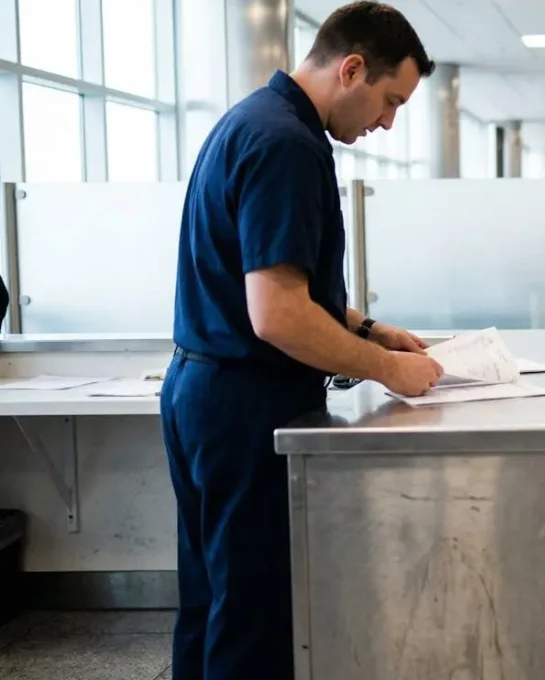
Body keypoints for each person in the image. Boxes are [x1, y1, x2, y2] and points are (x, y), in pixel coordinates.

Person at [161, 4, 442, 679]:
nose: (386, 122)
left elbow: (275, 282)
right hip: (243, 404)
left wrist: (370, 330)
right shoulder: (286, 144)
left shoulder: (252, 120)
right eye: (389, 100)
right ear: (351, 69)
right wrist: (387, 370)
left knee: (210, 597)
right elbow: (278, 315)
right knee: (252, 611)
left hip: (203, 392)